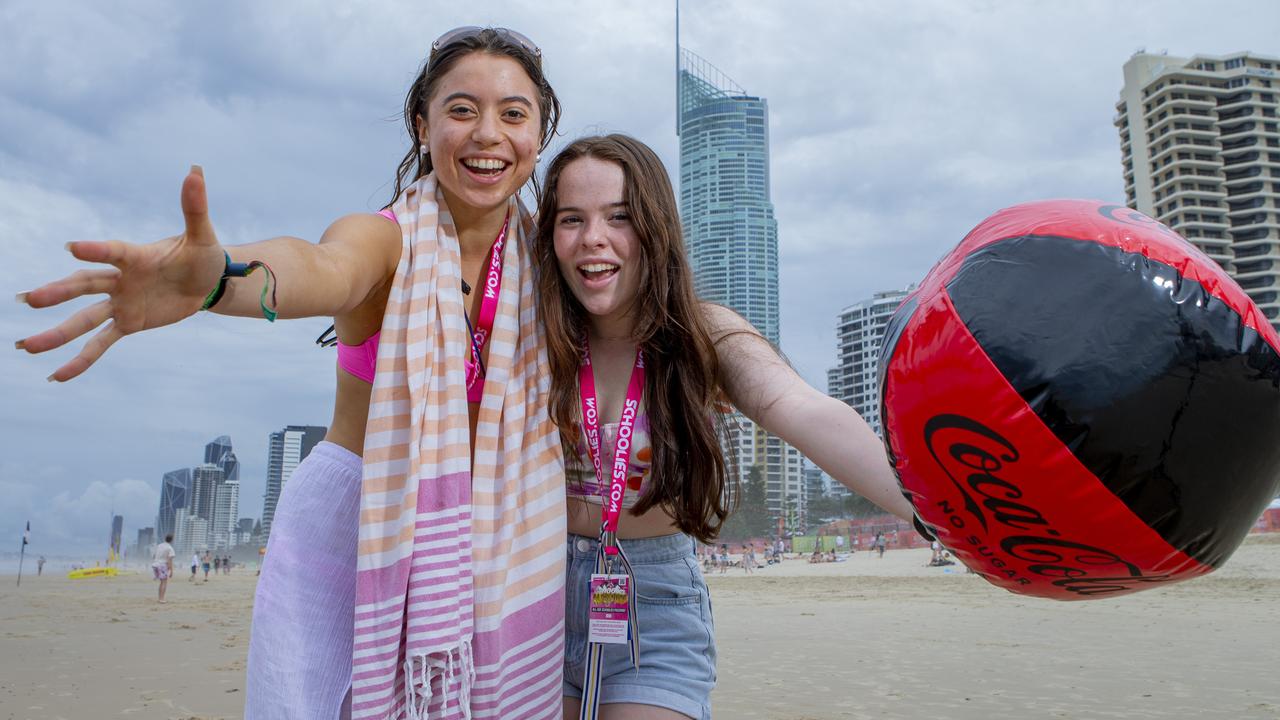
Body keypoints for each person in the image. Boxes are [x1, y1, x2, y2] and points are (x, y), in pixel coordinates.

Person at [16, 27, 564, 720]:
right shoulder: (388, 240)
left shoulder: (552, 264)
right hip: (350, 528)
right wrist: (219, 281)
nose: (488, 133)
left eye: (513, 114)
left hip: (490, 536)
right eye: (461, 110)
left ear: (538, 134)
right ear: (422, 126)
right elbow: (321, 266)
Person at [538, 135, 914, 720]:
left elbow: (801, 408)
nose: (594, 238)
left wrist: (940, 512)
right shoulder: (534, 336)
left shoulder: (702, 334)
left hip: (654, 603)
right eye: (571, 219)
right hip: (534, 592)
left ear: (655, 228)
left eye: (620, 216)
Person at [152, 534, 176, 603]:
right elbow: (170, 560)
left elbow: (154, 556)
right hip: (162, 565)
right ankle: (161, 599)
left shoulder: (159, 545)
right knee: (164, 582)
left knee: (161, 582)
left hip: (155, 564)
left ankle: (160, 598)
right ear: (171, 540)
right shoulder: (170, 548)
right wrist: (171, 571)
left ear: (165, 538)